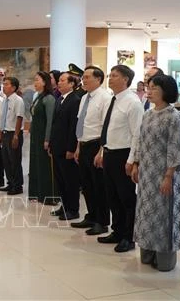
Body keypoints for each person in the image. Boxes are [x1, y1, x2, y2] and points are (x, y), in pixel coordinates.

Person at [131, 74, 180, 271]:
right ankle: (147, 251)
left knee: (163, 215)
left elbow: (175, 147)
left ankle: (165, 258)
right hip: (146, 174)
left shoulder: (173, 116)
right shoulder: (148, 114)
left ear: (166, 90)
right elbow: (140, 141)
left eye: (154, 88)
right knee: (146, 214)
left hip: (164, 175)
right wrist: (136, 164)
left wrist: (169, 175)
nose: (149, 91)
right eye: (148, 87)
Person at [94, 65, 143, 253]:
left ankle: (129, 237)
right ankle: (117, 230)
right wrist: (101, 151)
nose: (110, 78)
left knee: (126, 198)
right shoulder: (112, 100)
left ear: (125, 79)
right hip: (110, 153)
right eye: (110, 75)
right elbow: (107, 129)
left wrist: (132, 160)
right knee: (112, 196)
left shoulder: (133, 102)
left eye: (114, 76)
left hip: (124, 155)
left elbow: (136, 135)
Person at [72, 66, 112, 236]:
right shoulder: (84, 98)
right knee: (87, 184)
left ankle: (102, 222)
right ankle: (91, 216)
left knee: (98, 186)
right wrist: (78, 147)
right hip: (84, 144)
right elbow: (81, 123)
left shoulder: (105, 98)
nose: (84, 80)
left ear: (98, 79)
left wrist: (101, 152)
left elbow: (105, 127)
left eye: (87, 77)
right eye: (83, 77)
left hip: (97, 145)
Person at [50, 72, 82, 221]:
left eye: (63, 80)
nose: (59, 82)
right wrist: (51, 143)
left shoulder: (74, 100)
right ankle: (64, 206)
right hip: (57, 146)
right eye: (59, 80)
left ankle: (73, 209)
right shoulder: (60, 99)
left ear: (71, 84)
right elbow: (55, 125)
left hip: (66, 148)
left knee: (70, 180)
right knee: (60, 180)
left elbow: (73, 127)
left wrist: (71, 148)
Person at [28, 72, 56, 204]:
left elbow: (50, 121)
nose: (35, 82)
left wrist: (47, 139)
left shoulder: (49, 98)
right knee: (36, 164)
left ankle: (47, 195)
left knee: (44, 166)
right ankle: (37, 193)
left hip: (43, 136)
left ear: (45, 82)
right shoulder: (37, 97)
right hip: (35, 136)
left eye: (37, 80)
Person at [0, 77, 25, 195]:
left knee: (15, 161)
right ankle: (10, 183)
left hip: (14, 133)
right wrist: (0, 133)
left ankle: (18, 186)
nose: (4, 85)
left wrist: (16, 136)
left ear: (13, 87)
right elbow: (2, 117)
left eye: (6, 84)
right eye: (3, 83)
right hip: (5, 133)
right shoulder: (5, 99)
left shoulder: (18, 100)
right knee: (6, 160)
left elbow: (19, 117)